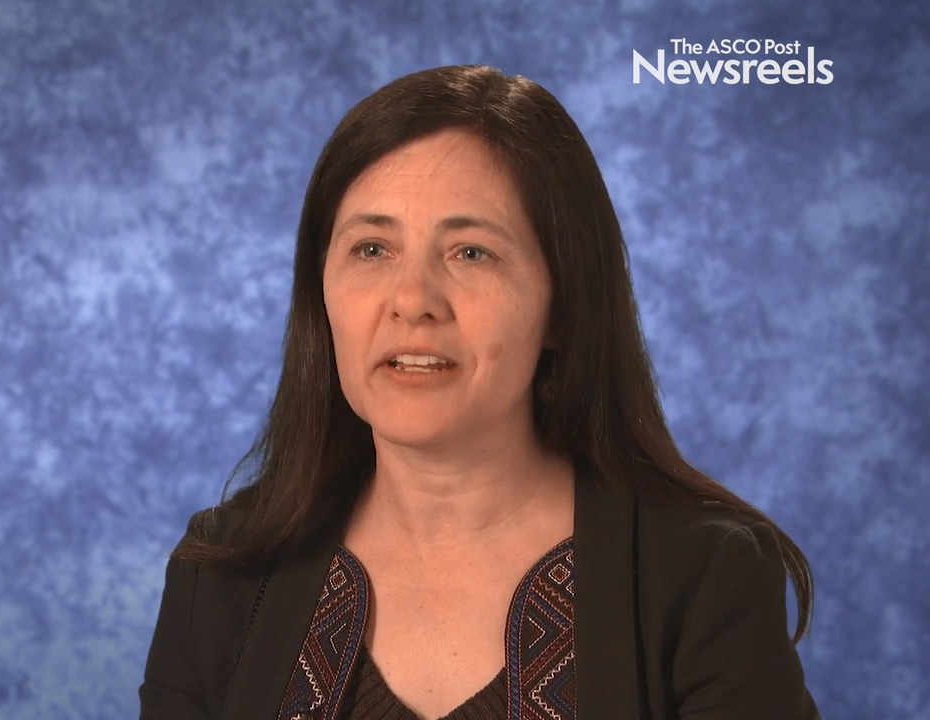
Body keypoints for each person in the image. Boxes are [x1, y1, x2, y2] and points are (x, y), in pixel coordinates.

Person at [139, 65, 819, 720]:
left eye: (471, 252)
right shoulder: (220, 573)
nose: (412, 300)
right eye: (372, 249)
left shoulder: (701, 575)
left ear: (563, 306)